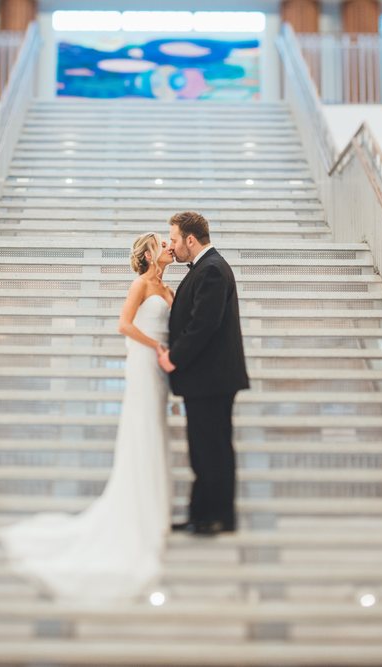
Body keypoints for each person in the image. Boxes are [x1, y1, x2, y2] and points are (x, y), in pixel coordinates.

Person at [0, 233, 175, 600]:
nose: (167, 247)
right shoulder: (141, 283)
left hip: (161, 369)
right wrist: (156, 345)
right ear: (147, 254)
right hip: (144, 362)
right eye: (160, 243)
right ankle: (136, 515)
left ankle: (155, 512)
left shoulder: (169, 287)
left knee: (156, 431)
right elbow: (123, 325)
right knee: (141, 429)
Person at [158, 211, 249, 537]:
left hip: (211, 379)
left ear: (190, 240)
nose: (172, 245)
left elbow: (203, 325)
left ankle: (217, 517)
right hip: (209, 379)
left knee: (212, 450)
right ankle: (203, 514)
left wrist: (174, 358)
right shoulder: (208, 267)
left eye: (174, 239)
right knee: (205, 449)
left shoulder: (210, 270)